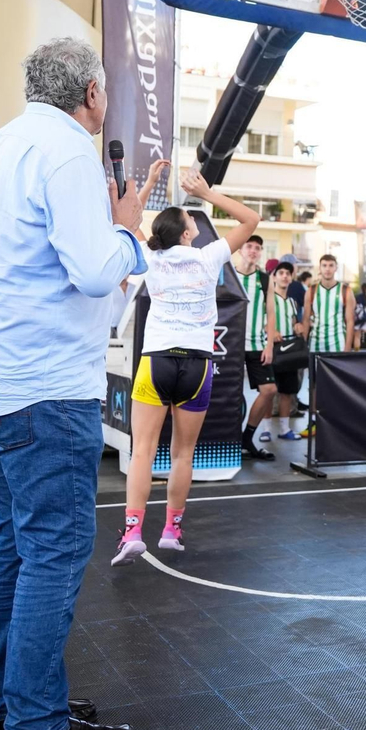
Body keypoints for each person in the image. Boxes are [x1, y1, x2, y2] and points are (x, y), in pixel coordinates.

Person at [0, 37, 155, 730]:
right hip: (41, 388)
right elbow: (96, 272)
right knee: (54, 551)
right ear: (91, 93)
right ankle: (33, 719)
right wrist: (127, 228)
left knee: (13, 540)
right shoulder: (68, 153)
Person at [112, 167, 257, 566]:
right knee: (183, 453)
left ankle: (133, 532)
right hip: (197, 366)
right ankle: (171, 530)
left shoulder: (152, 258)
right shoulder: (209, 257)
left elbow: (126, 221)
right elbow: (251, 220)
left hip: (157, 360)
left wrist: (149, 184)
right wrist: (206, 194)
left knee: (142, 451)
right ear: (188, 233)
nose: (194, 219)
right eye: (191, 218)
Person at [232, 235, 280, 460]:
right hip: (231, 344)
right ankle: (226, 438)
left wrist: (269, 346)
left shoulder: (264, 279)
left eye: (258, 248)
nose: (253, 250)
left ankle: (247, 438)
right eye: (249, 246)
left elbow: (271, 314)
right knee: (228, 393)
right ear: (240, 250)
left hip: (256, 344)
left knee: (269, 390)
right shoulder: (228, 274)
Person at [268, 262, 303, 440]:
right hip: (270, 349)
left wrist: (298, 327)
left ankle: (284, 429)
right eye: (280, 273)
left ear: (291, 277)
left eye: (287, 273)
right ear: (274, 277)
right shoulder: (267, 299)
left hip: (288, 350)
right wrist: (270, 331)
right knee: (268, 391)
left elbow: (295, 323)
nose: (284, 276)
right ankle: (266, 429)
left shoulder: (292, 302)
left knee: (287, 392)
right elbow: (259, 322)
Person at [302, 254, 354, 357]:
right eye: (324, 265)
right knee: (314, 368)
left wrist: (348, 347)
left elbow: (350, 321)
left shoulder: (345, 290)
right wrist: (303, 346)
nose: (327, 269)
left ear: (336, 268)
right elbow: (306, 320)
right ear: (320, 268)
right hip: (316, 342)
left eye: (331, 265)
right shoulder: (311, 291)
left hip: (338, 342)